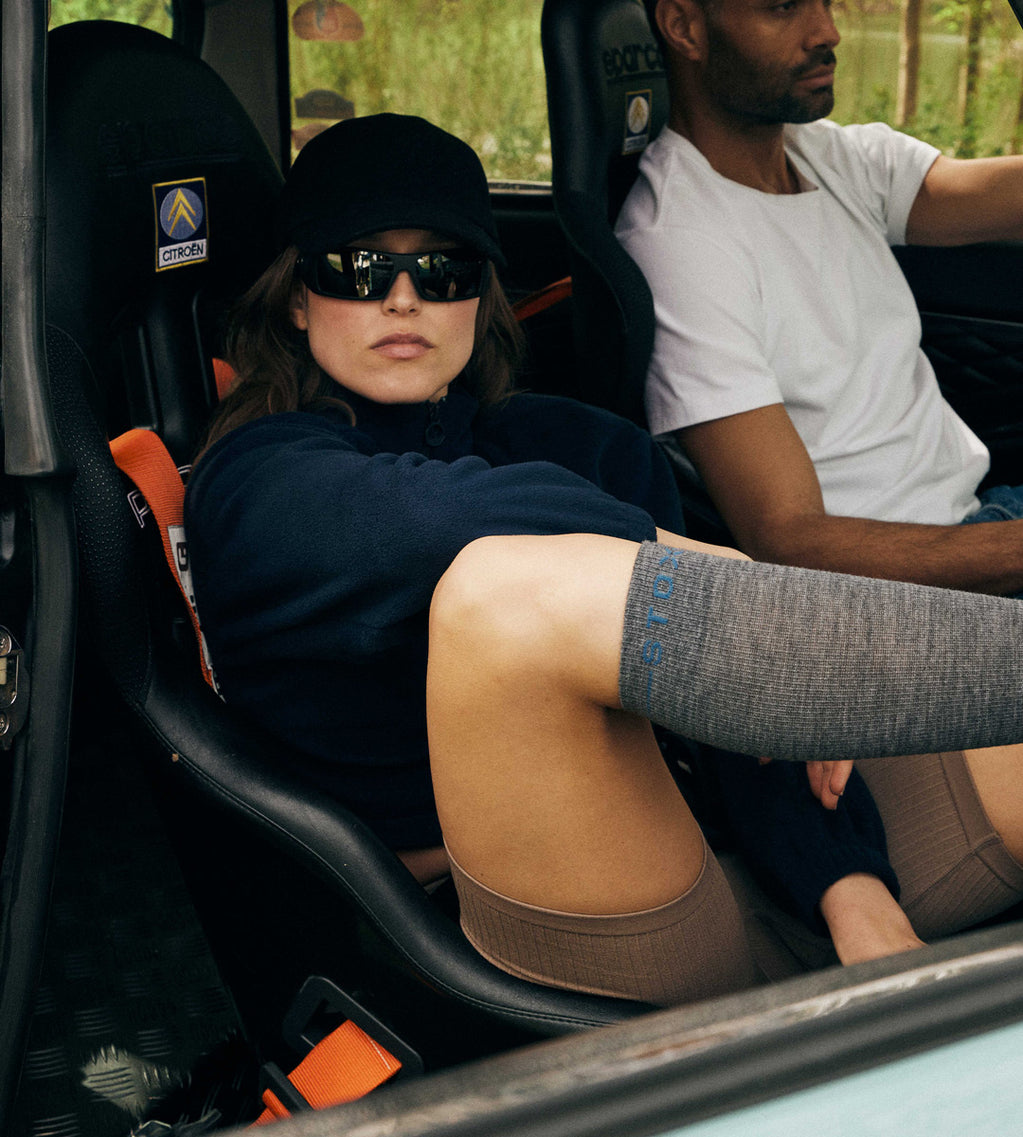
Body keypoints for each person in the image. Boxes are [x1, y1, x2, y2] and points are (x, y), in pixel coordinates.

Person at [185, 113, 1023, 1007]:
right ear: (298, 295)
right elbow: (426, 521)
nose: (403, 298)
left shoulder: (576, 444)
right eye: (358, 268)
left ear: (481, 294)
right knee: (503, 583)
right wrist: (728, 578)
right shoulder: (257, 478)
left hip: (732, 852)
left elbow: (727, 721)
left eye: (442, 268)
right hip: (500, 933)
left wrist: (850, 888)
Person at [617, 0, 1023, 594]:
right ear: (686, 28)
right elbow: (788, 537)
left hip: (984, 518)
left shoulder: (827, 157)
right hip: (918, 589)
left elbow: (987, 195)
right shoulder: (679, 243)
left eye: (825, 3)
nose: (827, 32)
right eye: (783, 8)